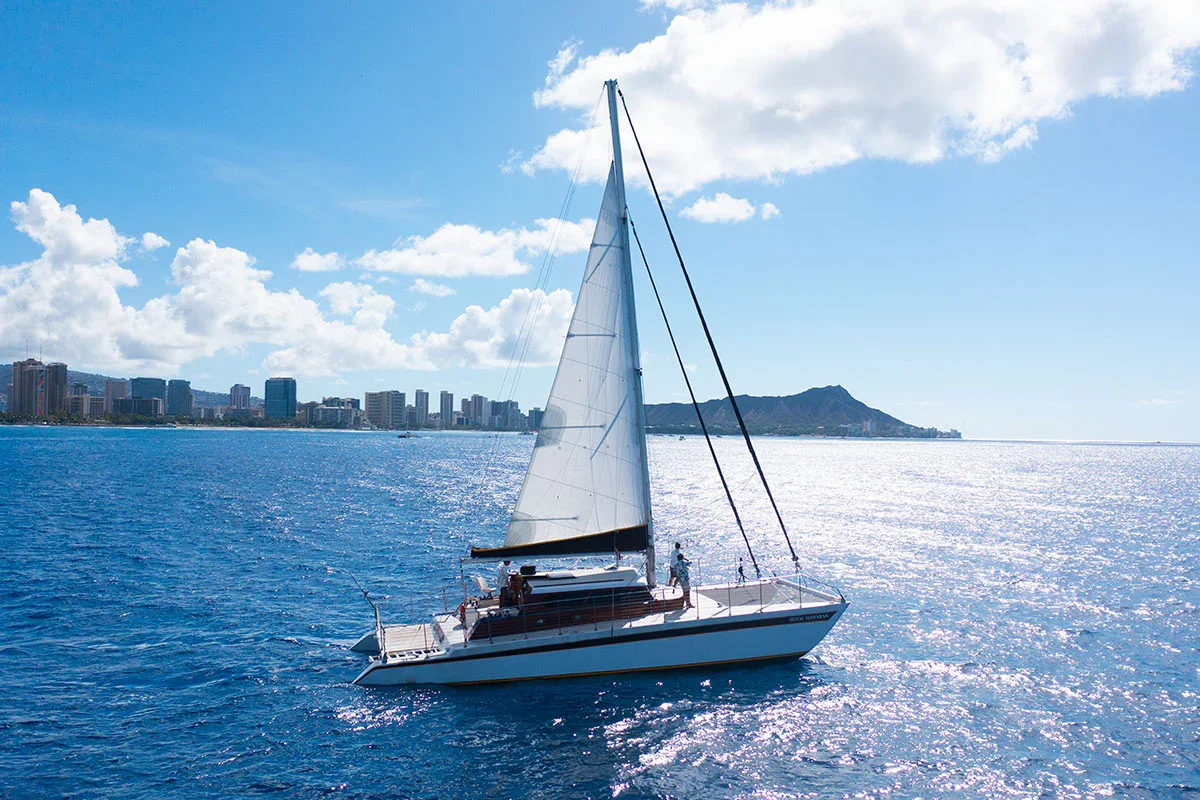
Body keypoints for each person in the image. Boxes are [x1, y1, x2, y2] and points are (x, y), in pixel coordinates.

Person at [673, 542, 693, 609]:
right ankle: (689, 603)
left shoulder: (676, 565)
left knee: (684, 591)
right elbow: (689, 563)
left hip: (680, 580)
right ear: (682, 558)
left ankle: (685, 603)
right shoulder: (683, 563)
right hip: (685, 579)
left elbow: (676, 572)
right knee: (687, 592)